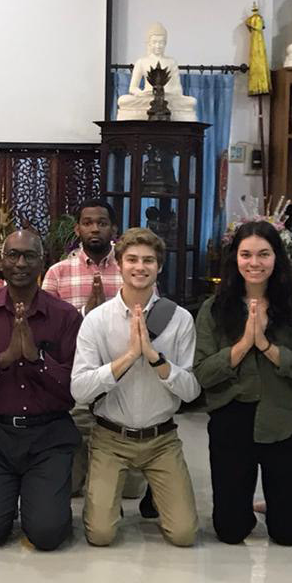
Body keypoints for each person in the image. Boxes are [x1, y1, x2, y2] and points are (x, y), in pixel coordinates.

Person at [0, 228, 83, 550]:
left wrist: (37, 360)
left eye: (29, 256)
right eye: (13, 255)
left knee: (48, 535)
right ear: (2, 261)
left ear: (42, 263)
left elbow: (76, 387)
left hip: (48, 435)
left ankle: (38, 502)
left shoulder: (64, 316)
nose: (20, 263)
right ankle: (8, 499)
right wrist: (3, 359)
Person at [193, 221, 292, 546]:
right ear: (235, 259)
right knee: (231, 531)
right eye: (246, 254)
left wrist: (266, 345)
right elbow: (203, 374)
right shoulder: (214, 309)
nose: (255, 263)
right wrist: (242, 346)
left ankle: (279, 506)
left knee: (288, 533)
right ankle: (245, 506)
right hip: (231, 418)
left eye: (263, 254)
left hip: (284, 419)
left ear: (276, 257)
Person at [72, 227, 201, 547]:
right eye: (131, 259)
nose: (139, 267)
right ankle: (121, 488)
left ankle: (152, 490)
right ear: (119, 264)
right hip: (110, 437)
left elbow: (191, 391)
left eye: (148, 260)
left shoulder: (180, 319)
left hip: (162, 439)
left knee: (184, 535)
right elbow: (79, 390)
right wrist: (128, 357)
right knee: (100, 535)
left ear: (159, 266)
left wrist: (156, 360)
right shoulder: (97, 320)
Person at [43, 199, 146, 504]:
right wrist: (85, 316)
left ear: (113, 228)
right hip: (78, 374)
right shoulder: (58, 273)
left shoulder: (132, 268)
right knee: (73, 481)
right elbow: (46, 330)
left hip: (123, 374)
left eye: (102, 222)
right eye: (87, 222)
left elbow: (152, 316)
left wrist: (110, 318)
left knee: (128, 492)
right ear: (78, 228)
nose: (95, 228)